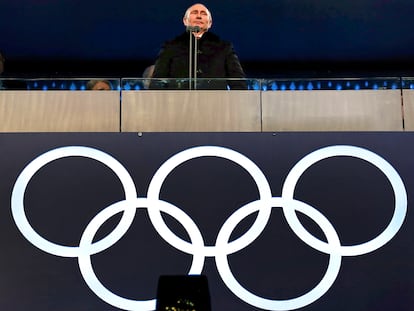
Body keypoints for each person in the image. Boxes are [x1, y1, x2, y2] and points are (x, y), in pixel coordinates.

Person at [151, 3, 246, 90]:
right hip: (179, 104)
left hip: (215, 104)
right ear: (185, 21)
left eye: (204, 14)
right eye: (194, 12)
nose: (199, 16)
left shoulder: (224, 47)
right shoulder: (171, 46)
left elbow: (238, 82)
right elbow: (157, 82)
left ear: (210, 23)